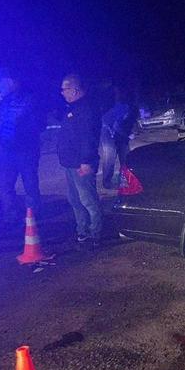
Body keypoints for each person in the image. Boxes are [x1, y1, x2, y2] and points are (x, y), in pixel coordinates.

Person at [58, 74, 103, 246]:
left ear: (75, 89)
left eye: (64, 89)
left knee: (88, 200)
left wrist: (86, 161)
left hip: (81, 164)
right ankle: (82, 231)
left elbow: (89, 138)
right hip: (70, 163)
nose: (62, 92)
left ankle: (95, 233)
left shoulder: (87, 109)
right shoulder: (72, 108)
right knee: (75, 200)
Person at [0, 72, 44, 225]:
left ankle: (32, 216)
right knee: (5, 185)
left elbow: (39, 124)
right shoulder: (3, 101)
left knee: (29, 184)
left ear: (10, 81)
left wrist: (23, 134)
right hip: (6, 151)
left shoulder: (29, 100)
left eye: (1, 82)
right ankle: (10, 216)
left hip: (25, 151)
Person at [100, 85, 137, 189]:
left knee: (125, 155)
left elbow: (130, 125)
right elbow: (116, 126)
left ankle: (125, 179)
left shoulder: (131, 109)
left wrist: (128, 135)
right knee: (110, 154)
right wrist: (127, 135)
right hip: (107, 130)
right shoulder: (120, 108)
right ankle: (107, 182)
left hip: (119, 131)